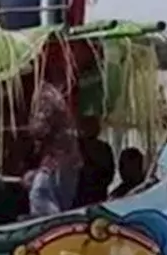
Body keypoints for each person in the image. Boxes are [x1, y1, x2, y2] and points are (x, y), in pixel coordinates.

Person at [29, 80, 81, 211]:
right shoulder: (61, 105)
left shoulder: (47, 96)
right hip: (65, 163)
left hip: (56, 164)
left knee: (40, 196)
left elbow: (39, 129)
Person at [74, 116, 115, 207]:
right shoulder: (75, 146)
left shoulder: (103, 149)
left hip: (94, 195)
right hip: (80, 196)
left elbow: (109, 174)